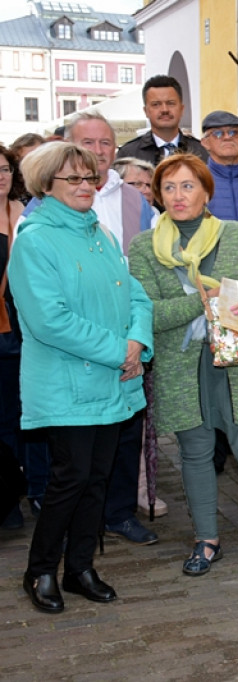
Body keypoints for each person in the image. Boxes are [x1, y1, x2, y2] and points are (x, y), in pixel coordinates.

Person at [128, 154, 238, 577]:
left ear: (206, 192)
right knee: (196, 454)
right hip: (183, 369)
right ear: (157, 195)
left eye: (188, 186)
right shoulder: (144, 247)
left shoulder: (236, 236)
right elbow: (147, 314)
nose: (178, 196)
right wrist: (201, 302)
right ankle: (206, 540)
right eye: (169, 187)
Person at [11, 142, 153, 613]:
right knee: (68, 480)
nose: (86, 186)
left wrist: (136, 343)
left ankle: (80, 568)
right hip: (68, 384)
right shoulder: (34, 239)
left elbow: (137, 297)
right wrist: (120, 351)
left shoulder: (102, 235)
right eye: (73, 179)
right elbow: (49, 320)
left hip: (113, 380)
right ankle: (40, 571)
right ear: (44, 185)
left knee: (97, 478)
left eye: (90, 177)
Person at [62, 112, 159, 545]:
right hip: (76, 344)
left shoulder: (136, 201)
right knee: (78, 448)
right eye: (89, 142)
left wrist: (137, 341)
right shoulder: (44, 210)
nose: (99, 151)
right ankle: (77, 519)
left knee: (125, 433)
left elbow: (147, 277)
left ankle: (119, 512)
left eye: (106, 143)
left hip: (129, 343)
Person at [0, 145, 30, 529]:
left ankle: (12, 498)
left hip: (19, 332)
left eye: (5, 168)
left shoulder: (26, 214)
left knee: (14, 418)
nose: (1, 176)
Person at [116, 74, 208, 166]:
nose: (164, 110)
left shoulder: (202, 152)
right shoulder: (128, 155)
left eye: (171, 103)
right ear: (146, 111)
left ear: (182, 109)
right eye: (156, 104)